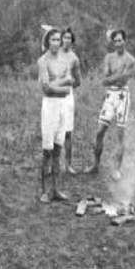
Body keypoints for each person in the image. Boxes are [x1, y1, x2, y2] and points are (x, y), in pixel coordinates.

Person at [86, 29, 135, 179]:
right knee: (100, 131)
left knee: (120, 133)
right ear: (113, 43)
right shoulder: (108, 57)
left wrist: (114, 77)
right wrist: (117, 76)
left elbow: (123, 78)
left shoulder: (131, 60)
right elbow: (105, 79)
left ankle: (117, 169)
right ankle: (95, 164)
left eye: (120, 40)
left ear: (125, 41)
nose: (118, 43)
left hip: (123, 95)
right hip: (110, 95)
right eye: (115, 41)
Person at [37, 27, 72, 203]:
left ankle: (56, 189)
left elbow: (69, 86)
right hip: (49, 106)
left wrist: (56, 85)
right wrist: (61, 83)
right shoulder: (43, 61)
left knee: (59, 148)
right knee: (47, 151)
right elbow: (46, 88)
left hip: (62, 106)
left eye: (58, 40)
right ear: (47, 41)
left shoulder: (65, 60)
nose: (56, 43)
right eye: (53, 40)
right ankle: (44, 191)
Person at [60, 27, 82, 174]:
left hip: (67, 97)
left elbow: (78, 81)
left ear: (72, 41)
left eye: (69, 38)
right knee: (54, 130)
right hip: (54, 96)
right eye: (64, 37)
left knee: (67, 132)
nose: (66, 40)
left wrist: (68, 84)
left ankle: (68, 165)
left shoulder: (74, 58)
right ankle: (54, 164)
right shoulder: (54, 53)